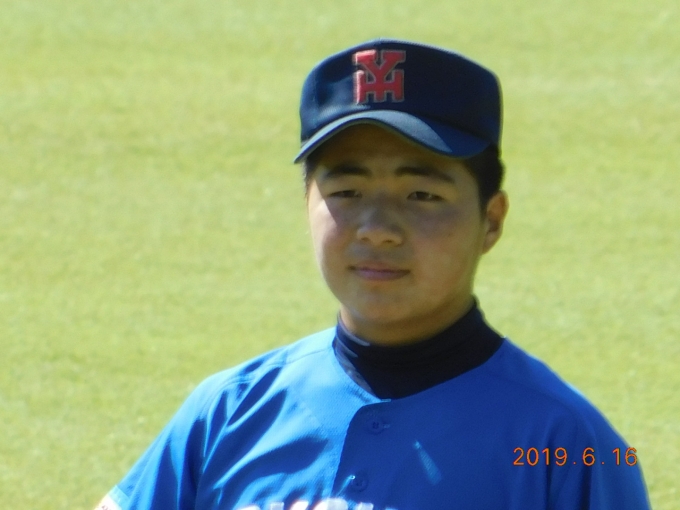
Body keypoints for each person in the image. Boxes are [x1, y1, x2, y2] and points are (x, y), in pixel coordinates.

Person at [95, 39, 651, 510]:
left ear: (492, 220)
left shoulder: (568, 445)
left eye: (422, 194)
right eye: (347, 191)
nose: (378, 229)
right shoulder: (227, 411)